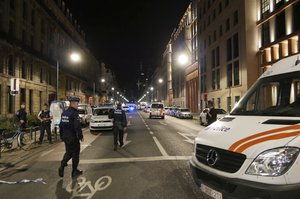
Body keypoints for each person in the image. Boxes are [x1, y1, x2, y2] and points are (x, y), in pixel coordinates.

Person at [58, 96, 84, 178]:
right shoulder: (74, 113)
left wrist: (61, 136)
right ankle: (74, 171)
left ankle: (62, 165)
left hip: (66, 137)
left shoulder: (64, 113)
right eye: (77, 104)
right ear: (73, 104)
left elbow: (61, 125)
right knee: (75, 154)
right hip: (73, 138)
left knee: (69, 152)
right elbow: (77, 126)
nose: (78, 105)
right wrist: (80, 136)